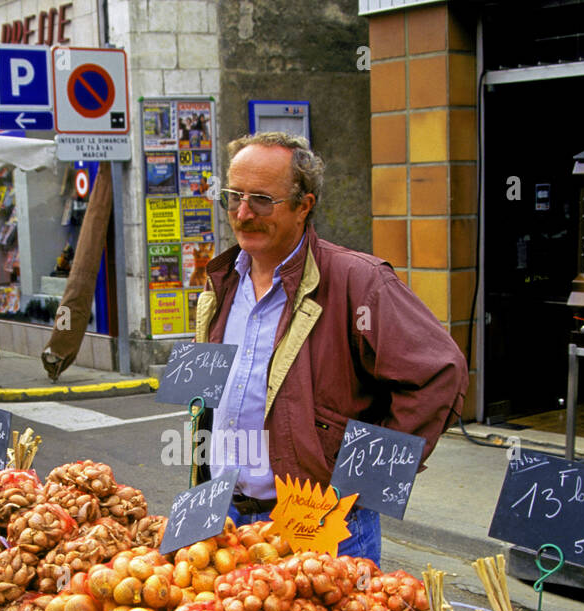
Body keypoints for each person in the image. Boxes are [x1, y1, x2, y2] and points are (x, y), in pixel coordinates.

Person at [194, 132, 468, 566]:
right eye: (233, 197)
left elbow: (440, 372)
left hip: (319, 523)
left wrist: (363, 483)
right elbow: (207, 399)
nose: (243, 213)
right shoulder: (222, 280)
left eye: (262, 201)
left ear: (304, 205)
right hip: (225, 521)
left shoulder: (358, 281)